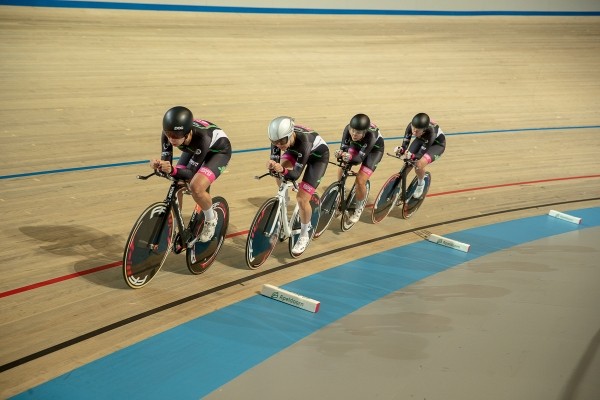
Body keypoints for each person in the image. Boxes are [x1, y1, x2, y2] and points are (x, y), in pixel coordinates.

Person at [150, 106, 232, 244]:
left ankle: (211, 220)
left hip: (218, 152)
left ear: (187, 133)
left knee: (196, 187)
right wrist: (159, 165)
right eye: (168, 134)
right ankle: (175, 226)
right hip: (193, 148)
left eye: (175, 136)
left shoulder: (202, 137)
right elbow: (168, 165)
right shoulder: (169, 135)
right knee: (177, 183)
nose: (171, 140)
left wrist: (171, 170)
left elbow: (189, 173)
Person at [266, 116, 329, 255]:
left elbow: (295, 174)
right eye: (274, 142)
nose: (278, 145)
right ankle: (285, 199)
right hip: (296, 152)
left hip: (317, 159)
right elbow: (276, 162)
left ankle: (305, 235)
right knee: (278, 171)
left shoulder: (304, 141)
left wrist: (282, 170)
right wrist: (273, 165)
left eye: (282, 141)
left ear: (290, 134)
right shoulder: (278, 139)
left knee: (302, 198)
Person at [334, 113, 385, 223]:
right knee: (343, 163)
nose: (354, 134)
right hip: (357, 145)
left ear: (365, 132)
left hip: (373, 152)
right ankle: (339, 190)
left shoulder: (371, 135)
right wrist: (342, 154)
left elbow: (358, 159)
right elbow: (343, 148)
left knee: (360, 181)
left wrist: (349, 156)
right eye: (352, 130)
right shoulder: (348, 129)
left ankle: (359, 208)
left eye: (358, 132)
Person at [394, 112, 446, 198]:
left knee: (418, 164)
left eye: (417, 130)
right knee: (408, 164)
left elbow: (418, 155)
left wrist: (413, 156)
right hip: (422, 139)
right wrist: (402, 150)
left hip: (436, 145)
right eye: (413, 128)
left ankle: (421, 184)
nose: (414, 132)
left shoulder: (432, 132)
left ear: (424, 129)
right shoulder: (411, 126)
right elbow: (404, 145)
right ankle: (397, 186)